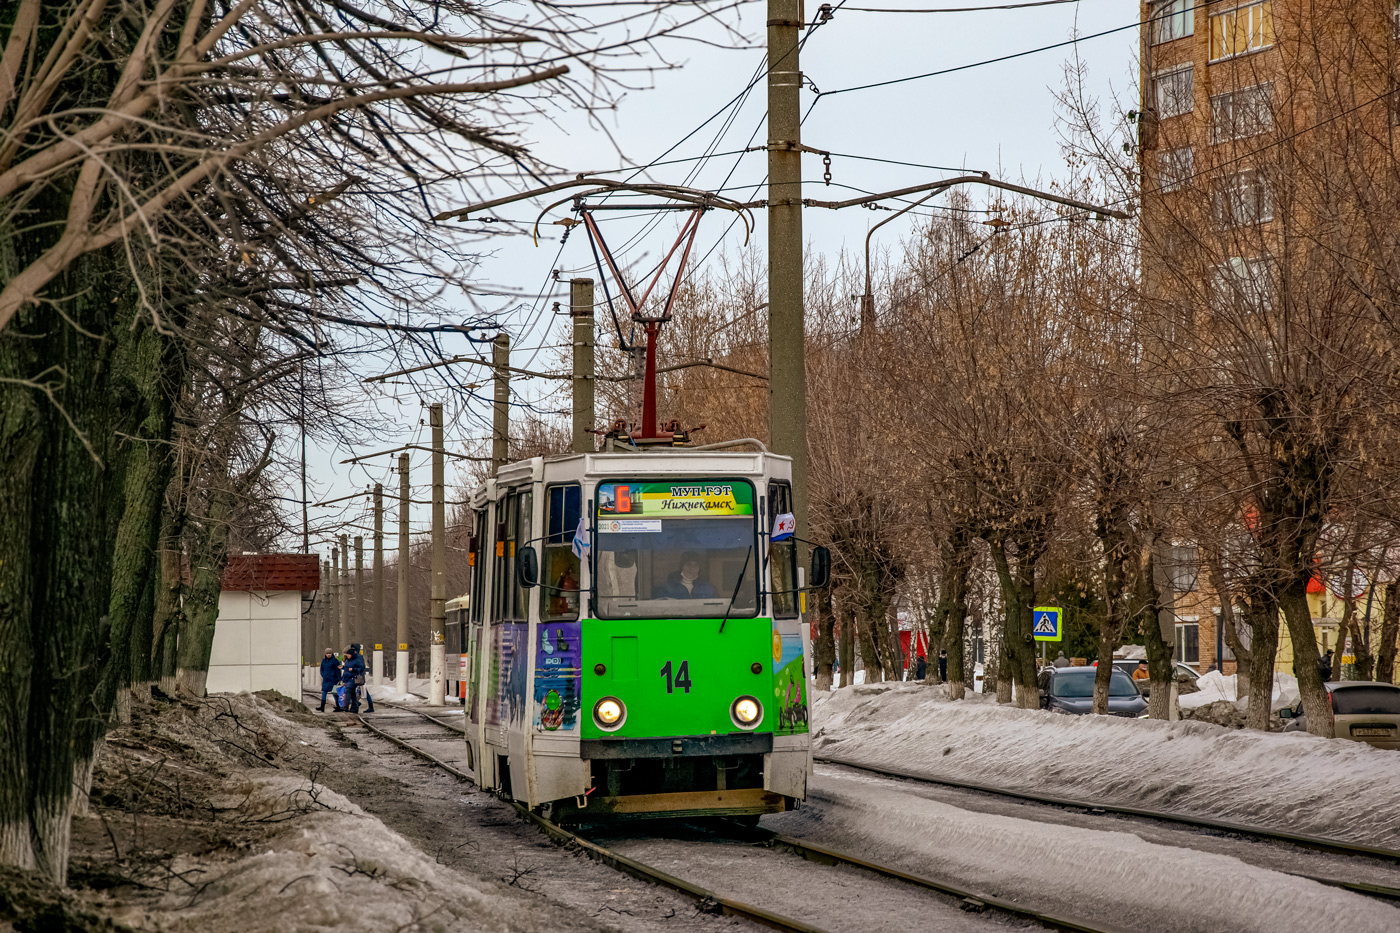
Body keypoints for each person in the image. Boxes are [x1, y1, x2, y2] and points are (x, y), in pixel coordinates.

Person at [343, 645, 373, 713]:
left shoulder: (357, 657)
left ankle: (350, 706)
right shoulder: (353, 658)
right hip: (355, 677)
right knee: (355, 692)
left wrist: (354, 670)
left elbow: (361, 667)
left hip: (357, 677)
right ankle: (355, 706)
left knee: (358, 691)